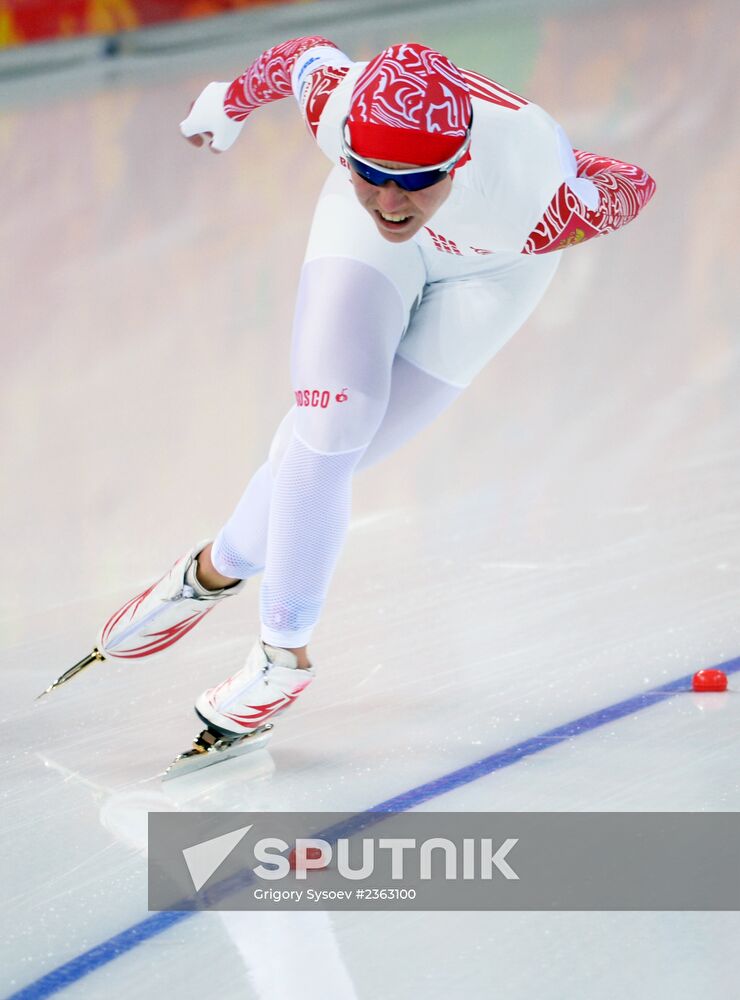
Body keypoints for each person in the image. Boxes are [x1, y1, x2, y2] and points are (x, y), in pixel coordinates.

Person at [85, 37, 656, 747]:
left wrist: (574, 166)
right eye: (368, 171)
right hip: (374, 249)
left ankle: (211, 570)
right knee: (331, 424)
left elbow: (635, 183)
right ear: (347, 140)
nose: (389, 200)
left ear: (461, 159)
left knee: (329, 452)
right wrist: (230, 105)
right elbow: (296, 58)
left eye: (415, 180)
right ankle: (280, 662)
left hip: (494, 272)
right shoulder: (336, 104)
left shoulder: (541, 201)